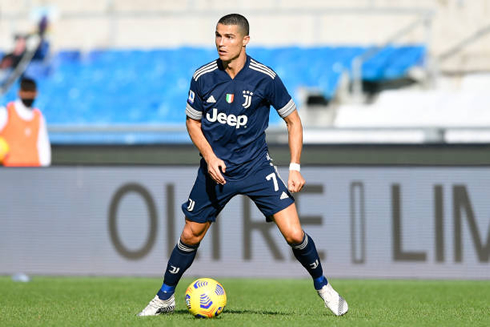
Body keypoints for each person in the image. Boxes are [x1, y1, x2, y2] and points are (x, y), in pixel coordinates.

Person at [137, 13, 348, 317]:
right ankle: (164, 297)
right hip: (216, 169)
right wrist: (209, 157)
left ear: (245, 40)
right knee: (190, 235)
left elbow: (293, 121)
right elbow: (192, 122)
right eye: (218, 36)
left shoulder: (266, 78)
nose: (221, 43)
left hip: (255, 168)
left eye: (229, 37)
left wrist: (295, 167)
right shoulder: (203, 76)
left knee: (294, 234)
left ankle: (323, 286)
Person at [0, 77, 51, 166]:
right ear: (20, 93)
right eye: (26, 92)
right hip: (10, 172)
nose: (29, 95)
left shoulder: (38, 117)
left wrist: (44, 171)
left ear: (36, 94)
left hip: (33, 172)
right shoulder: (6, 112)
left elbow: (43, 146)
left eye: (31, 92)